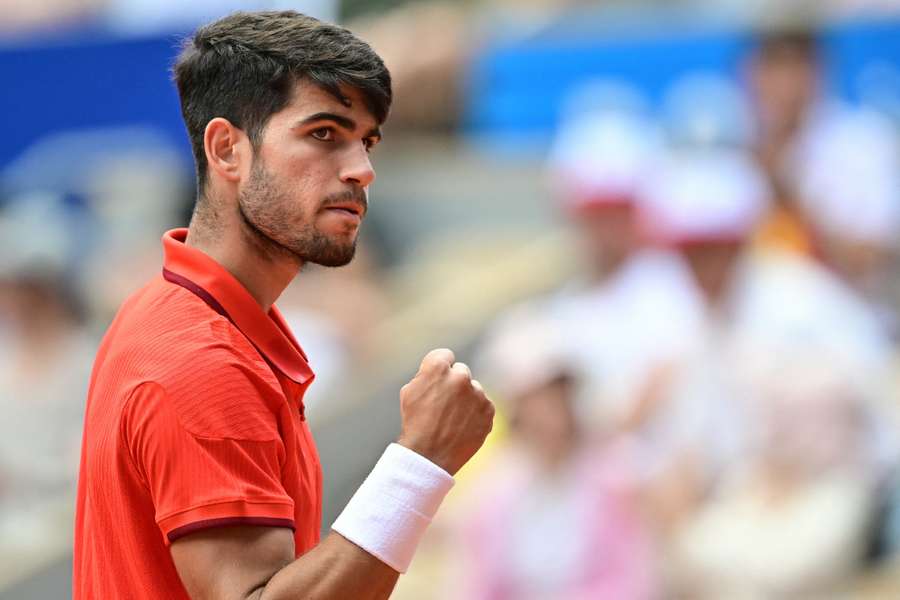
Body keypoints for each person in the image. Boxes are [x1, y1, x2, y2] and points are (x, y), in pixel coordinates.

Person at [73, 11, 494, 600]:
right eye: (324, 133)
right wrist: (422, 461)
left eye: (366, 141)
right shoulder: (201, 359)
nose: (361, 170)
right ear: (227, 150)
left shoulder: (180, 315)